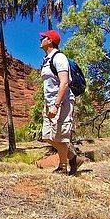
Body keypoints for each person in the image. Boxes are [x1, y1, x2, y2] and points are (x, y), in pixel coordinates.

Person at [40, 30, 79, 175]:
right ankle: (73, 157)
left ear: (50, 40)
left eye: (43, 37)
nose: (41, 39)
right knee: (48, 136)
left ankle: (63, 167)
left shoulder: (59, 57)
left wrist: (56, 105)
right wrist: (47, 105)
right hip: (50, 103)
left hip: (62, 103)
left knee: (60, 136)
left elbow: (64, 84)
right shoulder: (47, 59)